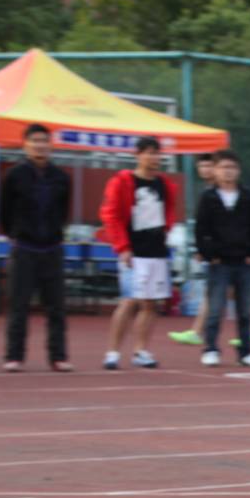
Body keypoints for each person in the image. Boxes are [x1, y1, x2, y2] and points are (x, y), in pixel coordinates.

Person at [99, 136, 177, 371]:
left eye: (157, 153)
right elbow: (111, 215)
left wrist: (166, 232)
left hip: (157, 251)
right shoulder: (123, 182)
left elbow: (169, 212)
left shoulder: (165, 184)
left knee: (151, 304)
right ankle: (113, 352)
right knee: (129, 301)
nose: (154, 158)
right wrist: (122, 247)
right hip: (133, 252)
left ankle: (140, 350)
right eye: (149, 153)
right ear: (138, 155)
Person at [0, 123, 73, 373]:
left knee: (56, 307)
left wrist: (55, 233)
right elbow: (5, 211)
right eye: (35, 141)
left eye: (44, 141)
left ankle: (58, 356)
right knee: (18, 305)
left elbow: (64, 212)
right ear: (25, 145)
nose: (40, 146)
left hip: (52, 249)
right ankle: (14, 356)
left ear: (51, 145)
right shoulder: (14, 175)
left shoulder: (61, 177)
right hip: (24, 248)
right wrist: (15, 234)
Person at [194, 149, 250, 368]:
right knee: (215, 309)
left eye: (232, 167)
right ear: (215, 170)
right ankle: (211, 349)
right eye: (224, 167)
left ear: (239, 170)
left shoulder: (248, 196)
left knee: (245, 311)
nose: (228, 172)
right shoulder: (208, 197)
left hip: (244, 261)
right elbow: (201, 230)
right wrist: (210, 254)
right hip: (219, 262)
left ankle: (246, 352)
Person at [168, 153, 220, 346]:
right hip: (213, 250)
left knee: (219, 291)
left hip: (223, 251)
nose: (204, 170)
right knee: (218, 291)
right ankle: (198, 331)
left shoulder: (222, 191)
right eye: (201, 167)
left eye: (208, 166)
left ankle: (199, 332)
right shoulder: (208, 190)